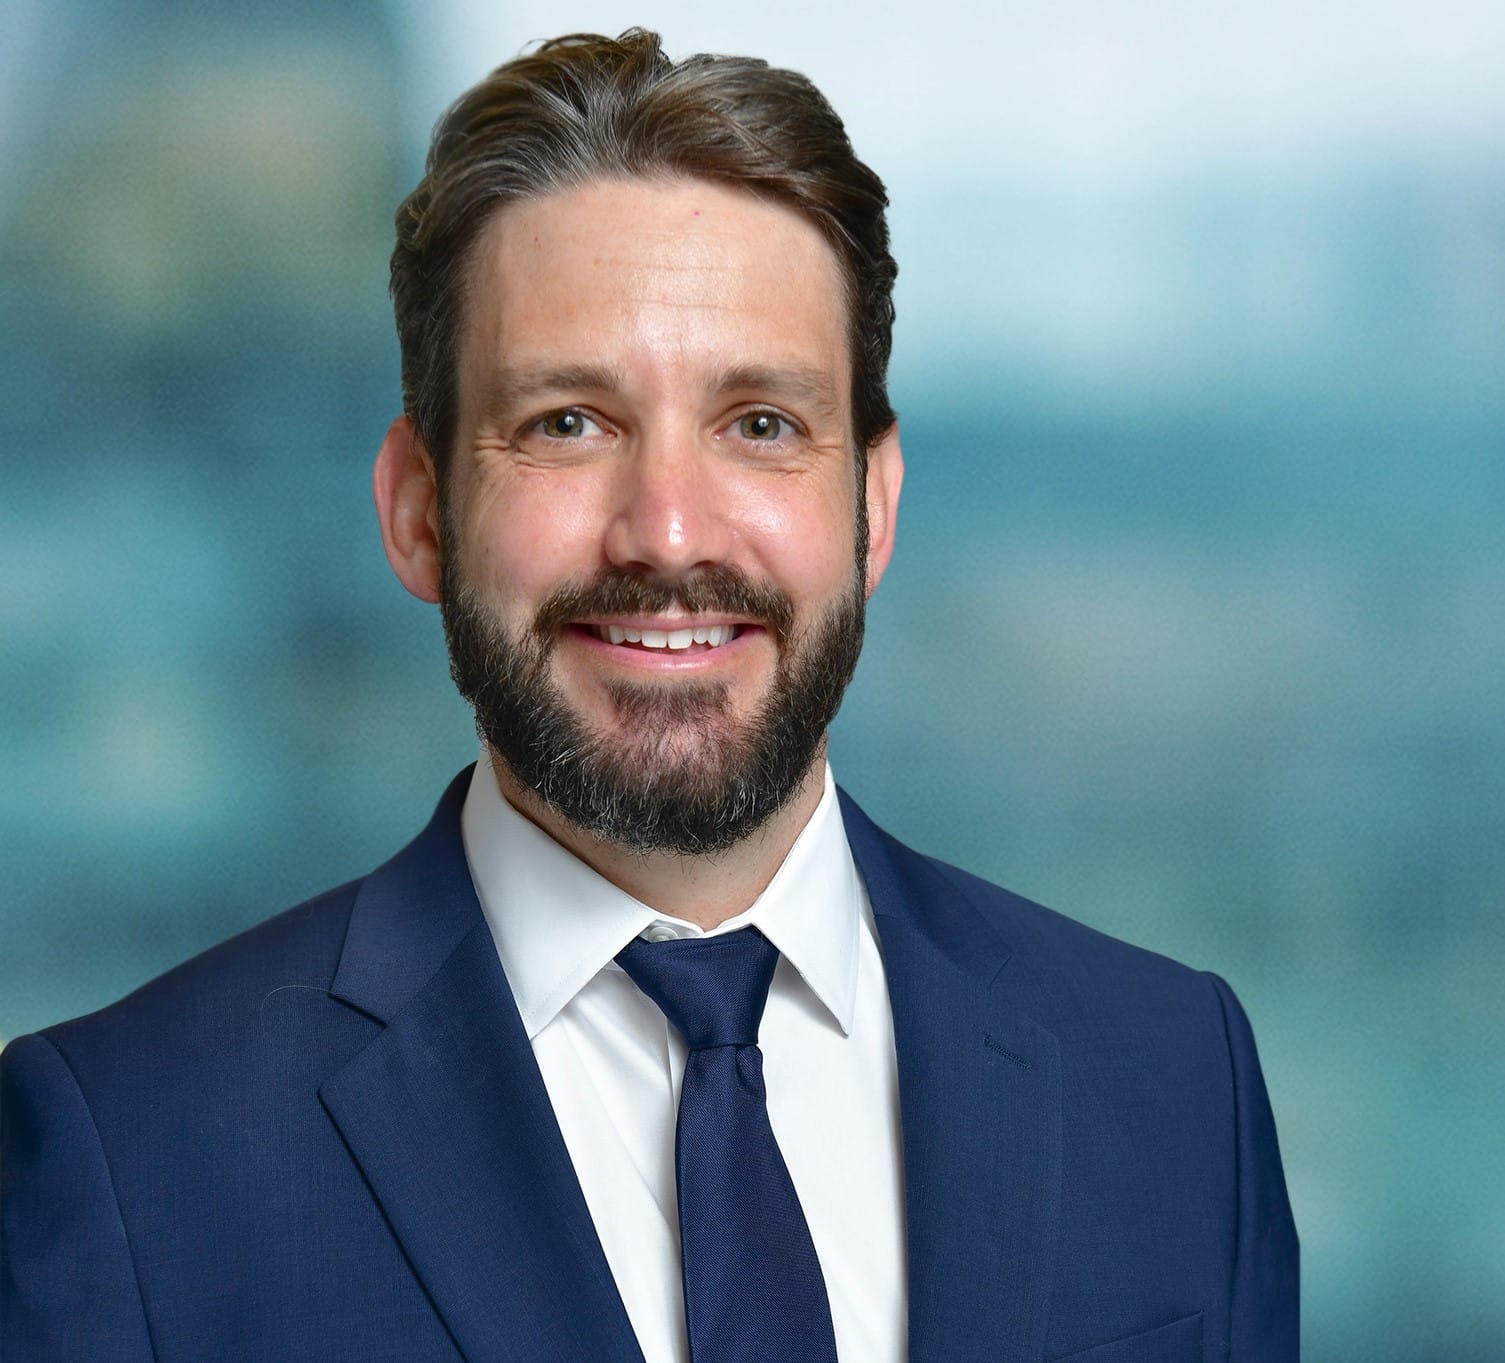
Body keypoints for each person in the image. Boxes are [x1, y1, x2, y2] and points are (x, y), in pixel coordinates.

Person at [0, 29, 1297, 1363]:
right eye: (567, 423)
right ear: (419, 510)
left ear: (874, 503)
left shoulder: (1173, 1081)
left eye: (761, 425)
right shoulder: (127, 1159)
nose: (667, 533)